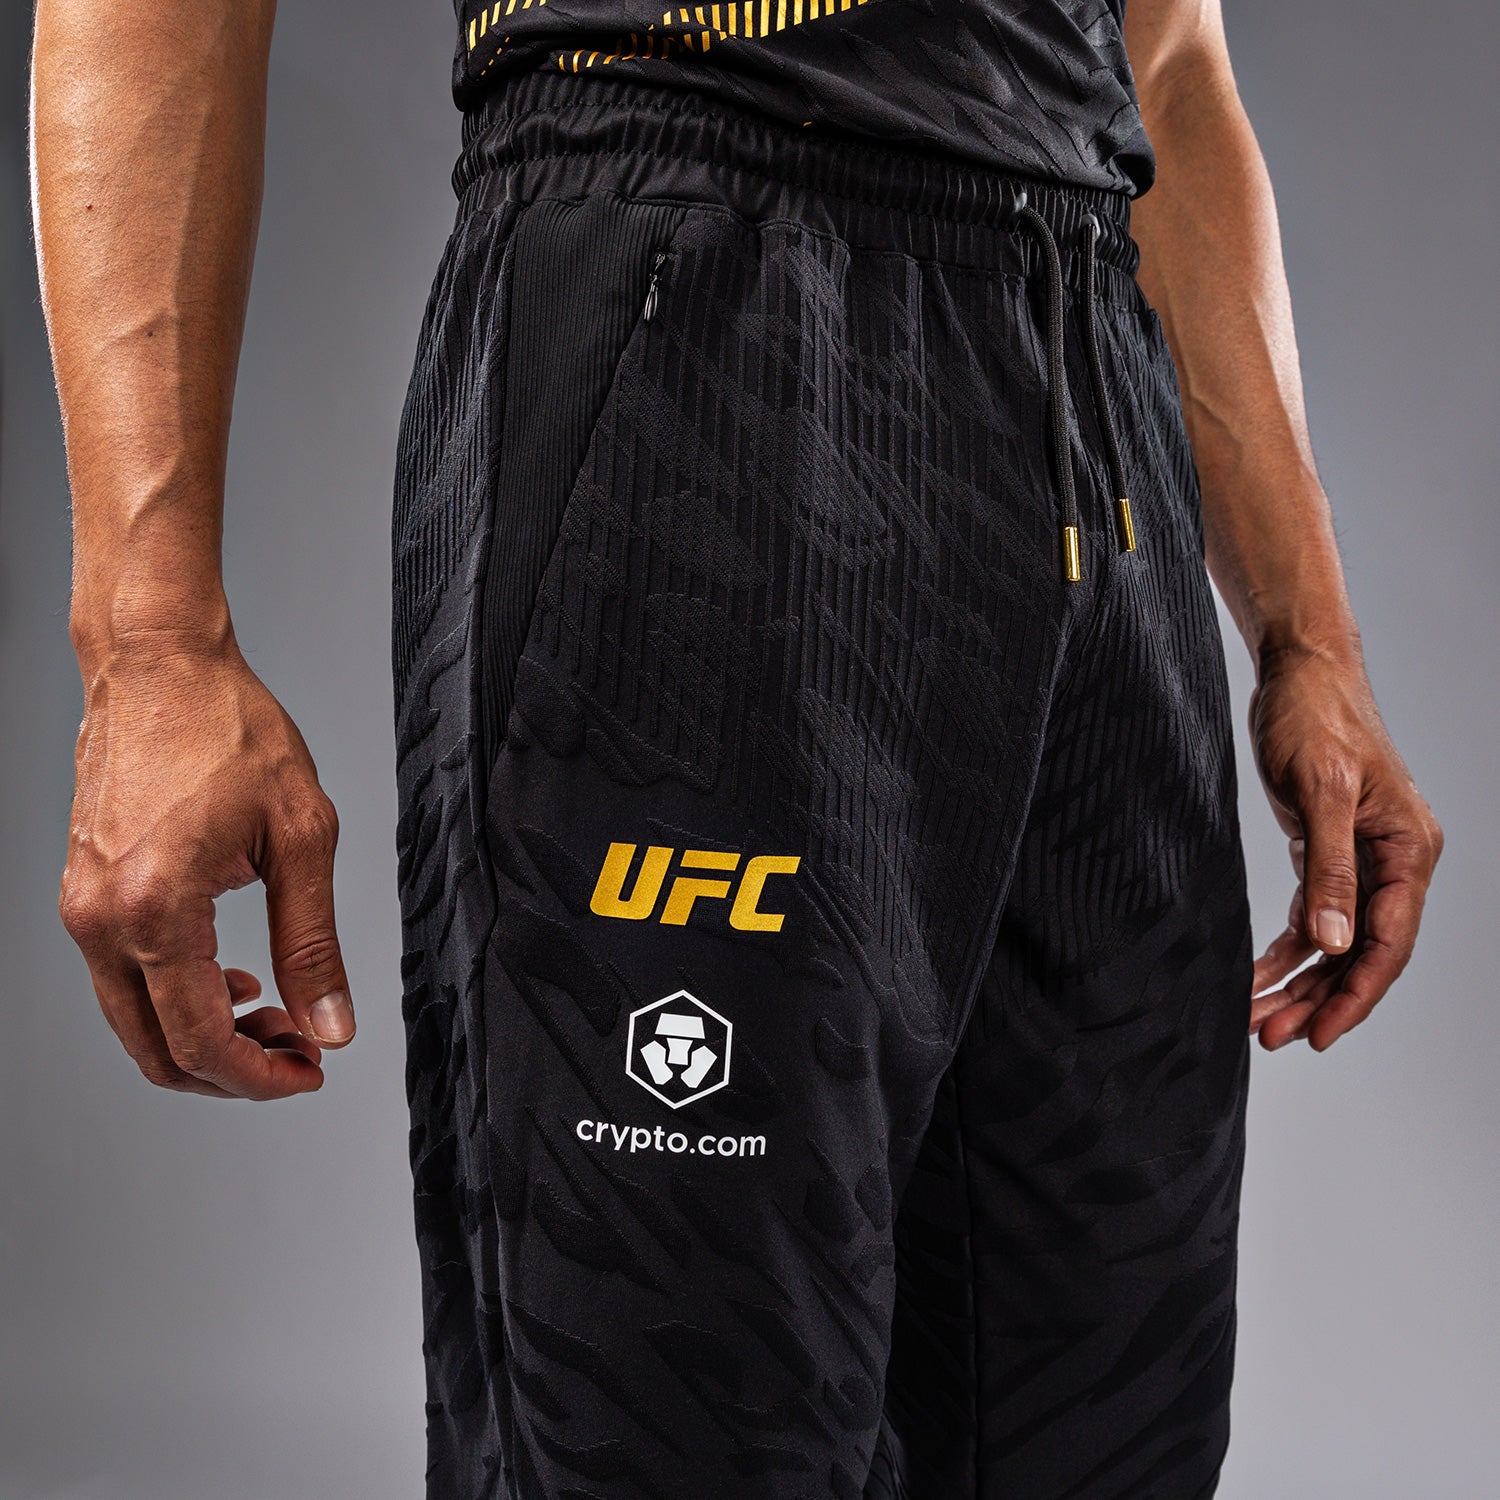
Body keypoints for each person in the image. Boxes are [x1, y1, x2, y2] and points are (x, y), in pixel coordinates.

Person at [30, 0, 1443, 1493]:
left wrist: (1311, 637)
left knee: (1108, 1433)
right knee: (675, 1434)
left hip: (1094, 376)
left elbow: (1171, 58)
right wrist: (150, 646)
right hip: (695, 300)